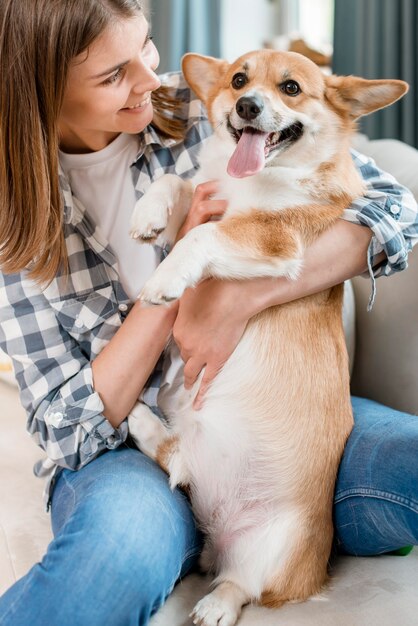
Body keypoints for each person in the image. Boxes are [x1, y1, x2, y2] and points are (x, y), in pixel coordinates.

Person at [0, 1, 417, 625]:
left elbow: (395, 211)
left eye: (145, 48)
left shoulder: (216, 105)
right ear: (40, 91)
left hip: (284, 422)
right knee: (101, 574)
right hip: (136, 458)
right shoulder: (15, 220)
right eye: (114, 75)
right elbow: (68, 427)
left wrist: (246, 294)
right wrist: (178, 303)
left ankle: (286, 548)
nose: (150, 80)